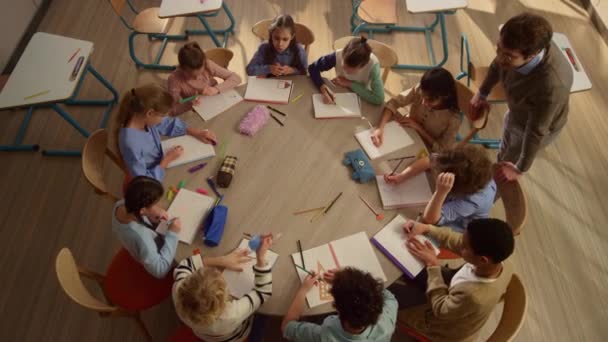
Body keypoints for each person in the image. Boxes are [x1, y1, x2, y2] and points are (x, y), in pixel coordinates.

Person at [470, 13, 573, 182]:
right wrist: (482, 93)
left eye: (509, 55)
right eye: (499, 48)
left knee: (505, 167)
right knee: (505, 148)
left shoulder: (551, 86)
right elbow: (498, 64)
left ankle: (489, 192)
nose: (500, 57)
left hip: (532, 126)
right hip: (519, 109)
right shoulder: (515, 47)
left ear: (532, 55)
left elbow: (536, 131)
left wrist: (519, 168)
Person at [393, 218, 515, 342]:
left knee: (383, 291)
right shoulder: (500, 261)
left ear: (483, 260)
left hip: (436, 322)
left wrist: (432, 265)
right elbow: (458, 241)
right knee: (408, 261)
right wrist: (427, 228)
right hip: (453, 290)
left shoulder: (474, 297)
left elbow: (440, 308)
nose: (460, 244)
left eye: (464, 246)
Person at [173, 235, 274, 341]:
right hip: (235, 336)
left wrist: (223, 260)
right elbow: (263, 292)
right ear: (225, 299)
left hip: (201, 331)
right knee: (264, 314)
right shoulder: (232, 314)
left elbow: (185, 265)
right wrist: (261, 259)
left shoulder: (179, 291)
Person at [114, 83, 217, 181]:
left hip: (162, 161)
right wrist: (167, 160)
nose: (164, 118)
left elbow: (168, 123)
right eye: (162, 115)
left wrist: (197, 132)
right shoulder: (130, 143)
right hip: (153, 177)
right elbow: (143, 179)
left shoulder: (142, 118)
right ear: (150, 113)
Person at [385, 145, 496, 232]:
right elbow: (429, 160)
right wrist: (402, 176)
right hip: (455, 193)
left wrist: (440, 192)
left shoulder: (472, 202)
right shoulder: (459, 160)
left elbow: (430, 219)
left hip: (458, 226)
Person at [282, 267, 398, 341]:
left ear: (337, 308)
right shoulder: (386, 321)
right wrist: (350, 281)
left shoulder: (325, 336)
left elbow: (287, 327)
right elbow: (390, 298)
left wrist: (303, 290)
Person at [372, 67, 461, 152]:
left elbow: (443, 150)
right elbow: (394, 102)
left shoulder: (453, 119)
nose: (423, 103)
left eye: (430, 100)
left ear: (444, 97)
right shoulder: (420, 89)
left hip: (425, 148)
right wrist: (381, 128)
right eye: (422, 97)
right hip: (406, 131)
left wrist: (419, 128)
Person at [111, 176, 179, 279]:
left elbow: (141, 214)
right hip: (154, 254)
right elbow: (160, 271)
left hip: (140, 245)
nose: (159, 206)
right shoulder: (141, 235)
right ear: (142, 210)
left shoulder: (121, 204)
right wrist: (172, 234)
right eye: (156, 203)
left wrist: (150, 214)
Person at [168, 42, 242, 116]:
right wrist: (188, 105)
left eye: (201, 72)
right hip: (197, 110)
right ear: (182, 68)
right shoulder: (174, 79)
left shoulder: (208, 64)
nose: (197, 77)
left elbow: (236, 78)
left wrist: (216, 89)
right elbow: (171, 110)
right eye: (191, 76)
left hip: (215, 100)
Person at [308, 36, 384, 105]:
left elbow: (378, 98)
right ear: (343, 53)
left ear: (362, 66)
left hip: (362, 95)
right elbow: (313, 68)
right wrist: (322, 88)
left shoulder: (373, 67)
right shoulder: (337, 56)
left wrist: (350, 84)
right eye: (344, 67)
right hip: (340, 90)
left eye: (351, 71)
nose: (346, 72)